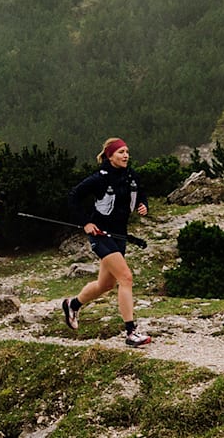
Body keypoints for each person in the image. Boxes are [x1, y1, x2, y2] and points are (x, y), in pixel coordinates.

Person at [60, 137, 152, 346]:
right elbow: (73, 196)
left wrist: (143, 205)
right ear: (110, 156)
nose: (126, 155)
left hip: (120, 235)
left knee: (105, 284)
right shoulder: (99, 178)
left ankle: (72, 304)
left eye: (127, 152)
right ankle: (131, 332)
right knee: (126, 278)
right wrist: (85, 223)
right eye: (120, 152)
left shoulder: (131, 175)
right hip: (100, 235)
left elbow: (141, 194)